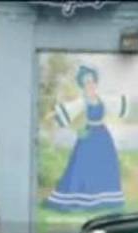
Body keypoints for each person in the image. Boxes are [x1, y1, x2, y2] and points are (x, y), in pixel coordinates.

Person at [45, 64, 128, 211]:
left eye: (92, 82)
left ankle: (105, 199)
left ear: (95, 83)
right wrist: (53, 115)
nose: (90, 86)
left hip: (102, 135)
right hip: (89, 135)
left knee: (105, 165)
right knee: (83, 165)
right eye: (87, 83)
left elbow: (117, 104)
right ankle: (81, 199)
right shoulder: (83, 101)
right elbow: (70, 110)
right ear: (83, 86)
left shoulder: (102, 99)